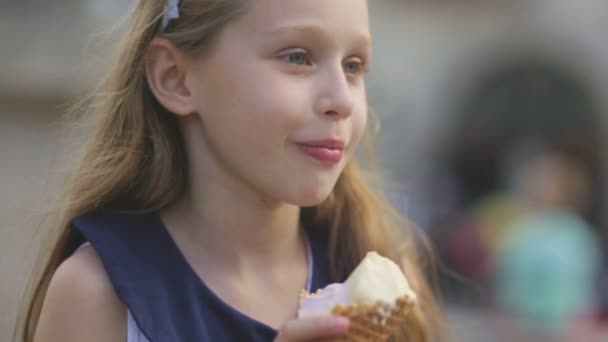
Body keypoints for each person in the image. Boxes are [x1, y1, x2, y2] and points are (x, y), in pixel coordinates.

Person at [16, 1, 441, 341]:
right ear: (176, 78)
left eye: (353, 66)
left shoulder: (379, 269)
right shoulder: (100, 295)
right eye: (297, 57)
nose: (342, 100)